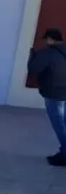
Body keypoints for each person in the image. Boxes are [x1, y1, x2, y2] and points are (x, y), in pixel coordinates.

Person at [27, 28, 66, 166]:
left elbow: (33, 69)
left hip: (54, 95)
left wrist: (33, 56)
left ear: (50, 39)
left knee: (60, 126)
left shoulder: (47, 53)